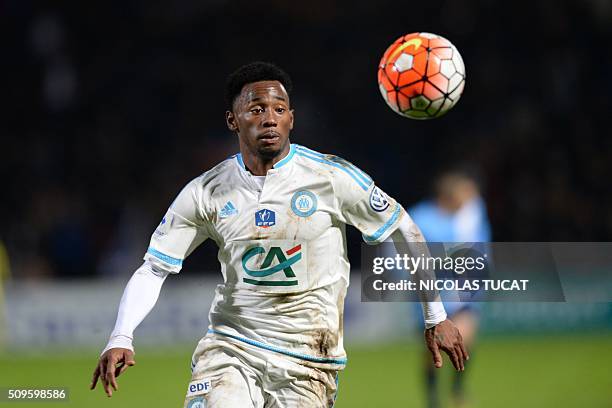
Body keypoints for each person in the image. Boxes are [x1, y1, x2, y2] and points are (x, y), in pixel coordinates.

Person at [90, 61, 468, 408]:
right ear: (232, 120)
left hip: (310, 361)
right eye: (256, 110)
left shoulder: (330, 177)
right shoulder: (205, 191)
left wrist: (436, 314)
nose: (269, 118)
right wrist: (121, 335)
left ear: (291, 119)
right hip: (232, 349)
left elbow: (403, 227)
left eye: (278, 109)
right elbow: (154, 269)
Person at [409, 170, 491, 408]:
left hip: (462, 292)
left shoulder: (471, 217)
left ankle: (457, 390)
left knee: (466, 337)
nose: (471, 199)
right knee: (432, 352)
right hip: (430, 294)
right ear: (450, 195)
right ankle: (433, 399)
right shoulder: (420, 217)